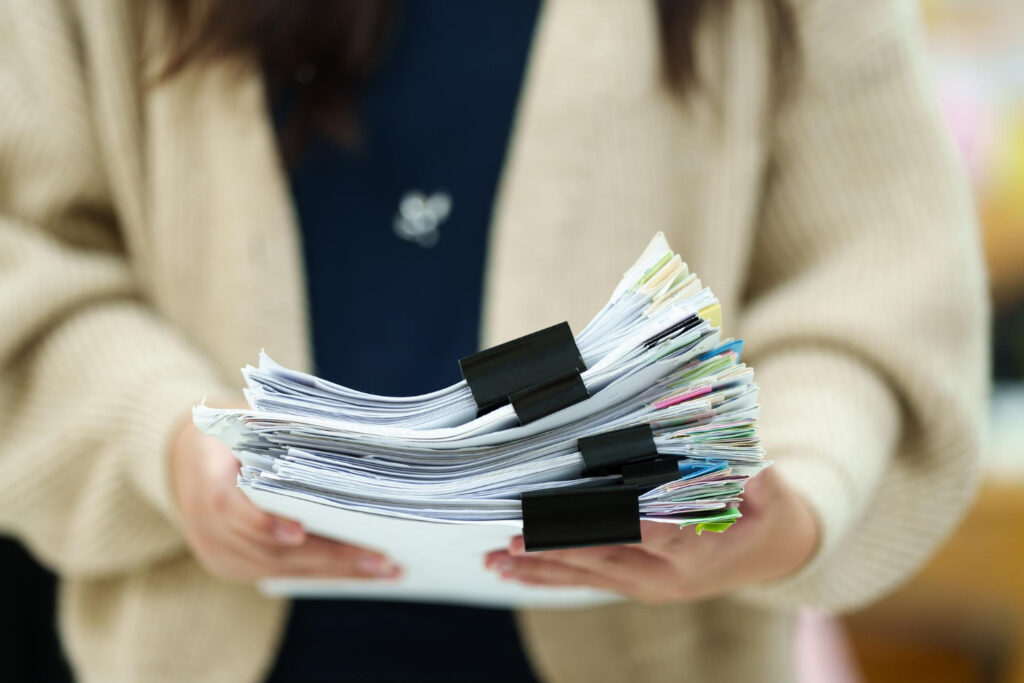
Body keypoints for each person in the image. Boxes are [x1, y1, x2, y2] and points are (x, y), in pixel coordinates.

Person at [0, 0, 988, 681]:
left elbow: (873, 292)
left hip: (661, 645)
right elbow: (28, 253)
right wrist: (165, 442)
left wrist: (795, 496)